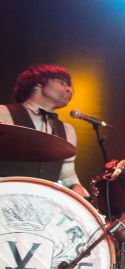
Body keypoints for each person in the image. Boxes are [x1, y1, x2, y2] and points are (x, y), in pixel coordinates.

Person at [0, 64, 89, 198]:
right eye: (62, 83)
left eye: (69, 86)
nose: (69, 90)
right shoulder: (3, 113)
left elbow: (67, 174)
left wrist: (75, 187)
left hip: (43, 208)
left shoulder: (67, 130)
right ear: (38, 83)